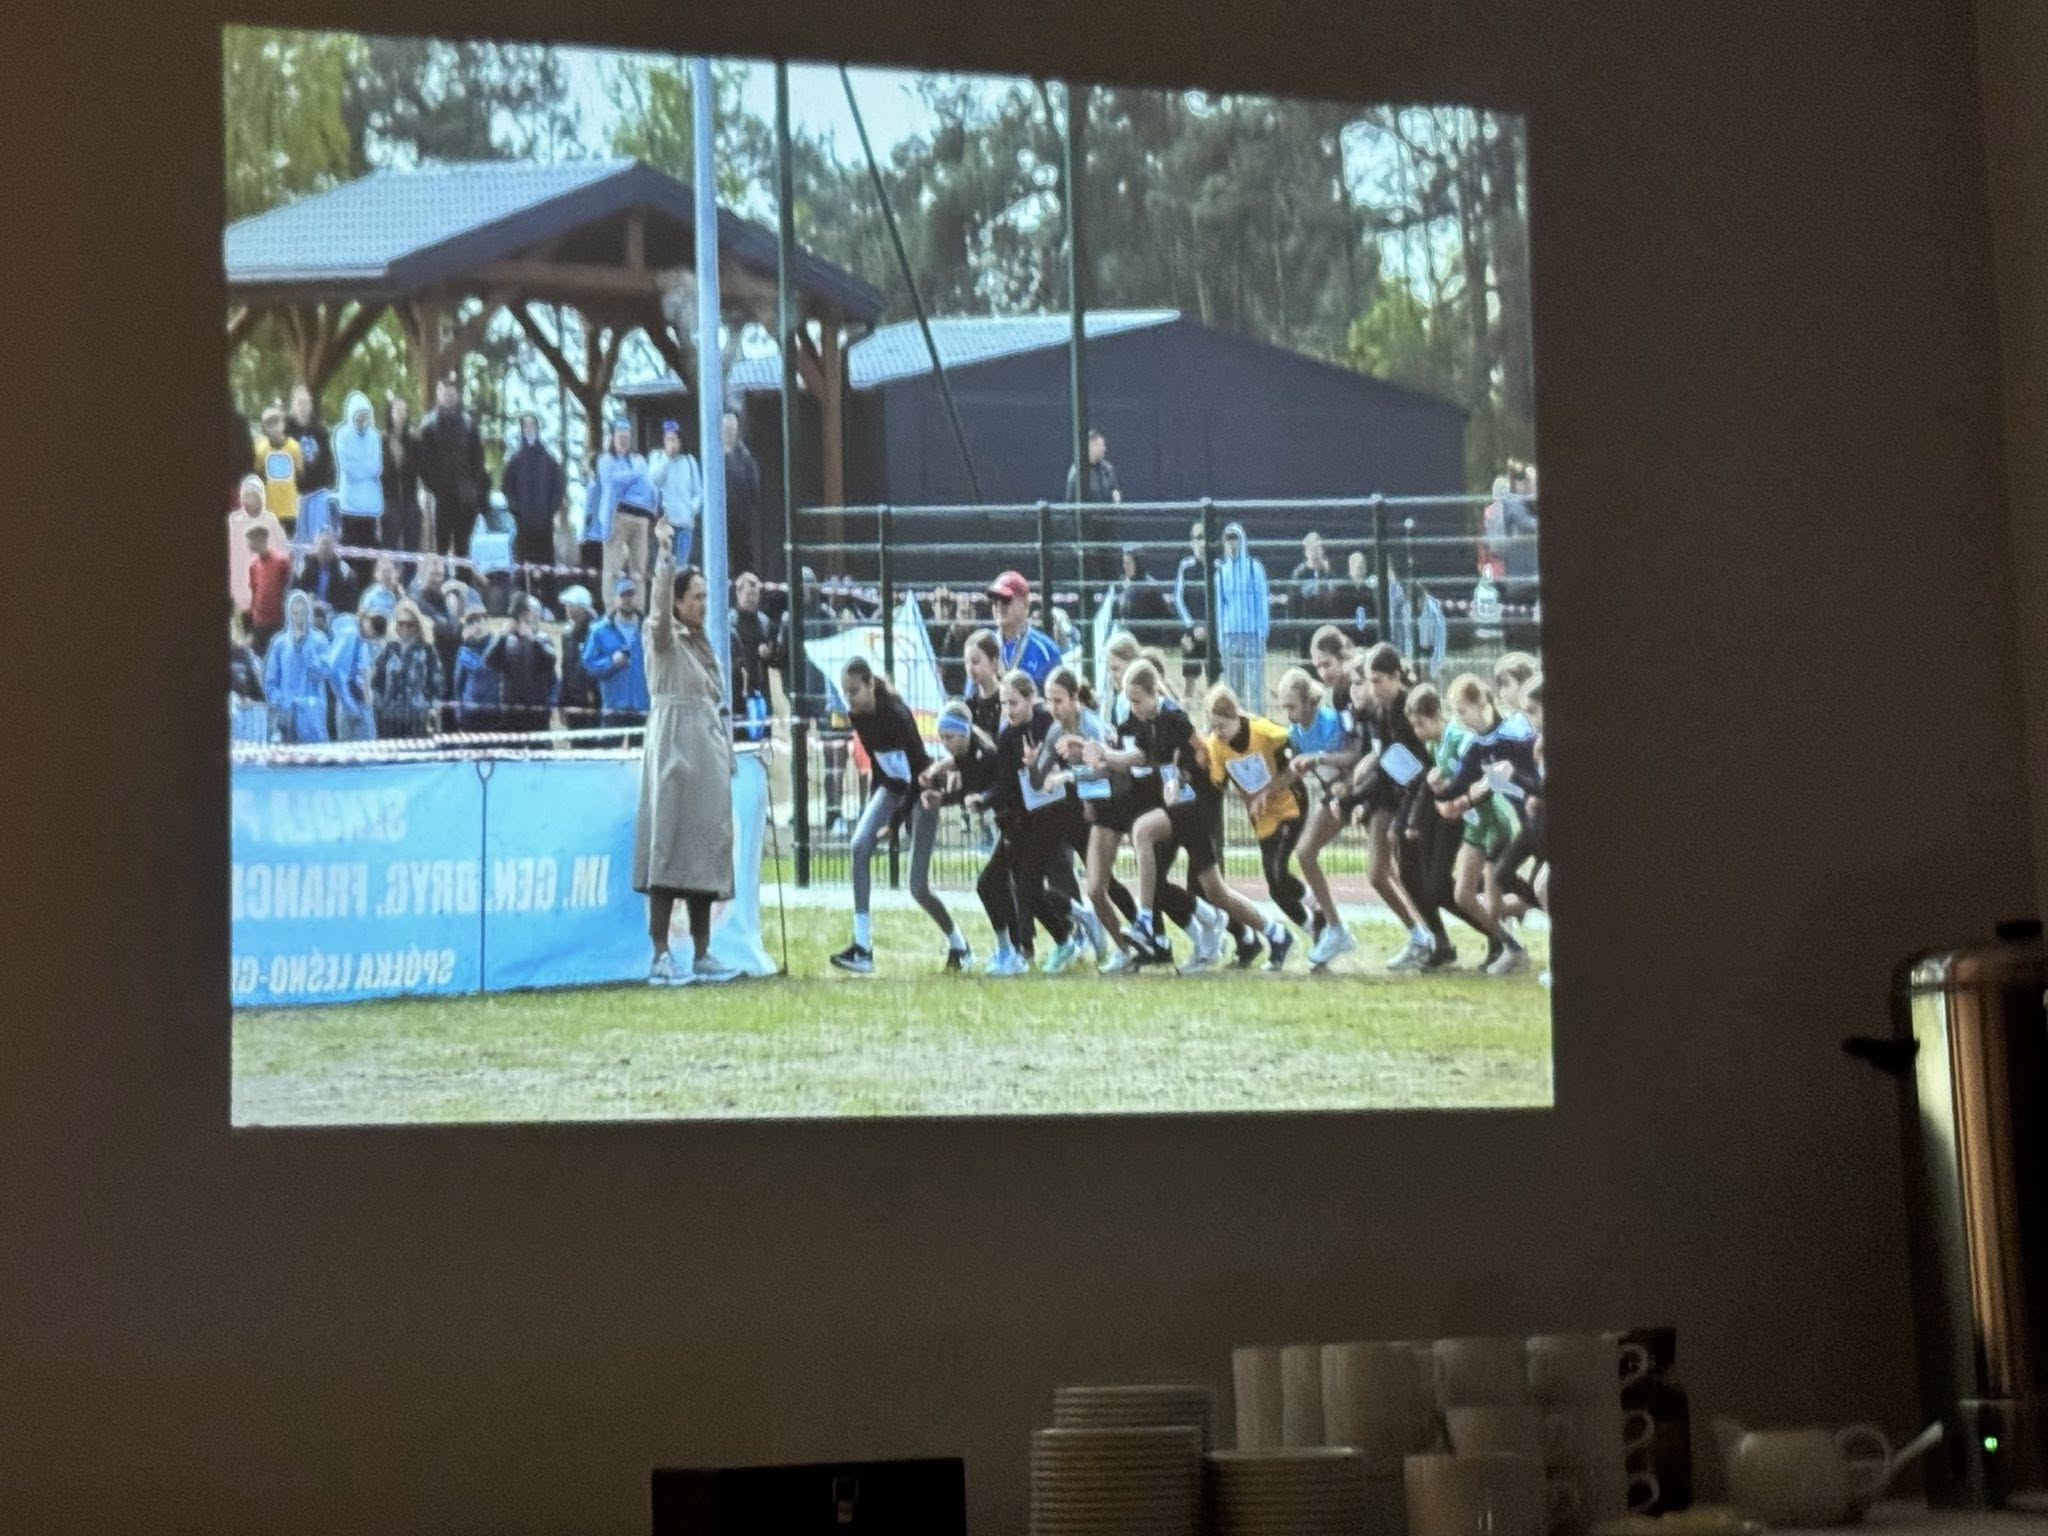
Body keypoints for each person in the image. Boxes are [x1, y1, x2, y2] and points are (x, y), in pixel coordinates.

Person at [1119, 660, 1276, 970]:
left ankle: (1252, 933)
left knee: (1206, 888)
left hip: (1193, 809)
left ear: (1153, 691)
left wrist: (1185, 777)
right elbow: (1139, 756)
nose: (1132, 707)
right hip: (1174, 807)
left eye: (1136, 700)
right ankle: (1244, 935)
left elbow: (1201, 751)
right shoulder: (1145, 721)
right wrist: (1103, 757)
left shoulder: (1173, 717)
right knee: (1192, 886)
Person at [636, 523, 740, 985]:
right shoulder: (662, 637)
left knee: (704, 851)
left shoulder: (702, 642)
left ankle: (702, 952)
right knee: (668, 846)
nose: (702, 603)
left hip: (707, 756)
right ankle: (660, 953)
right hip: (674, 749)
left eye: (704, 596)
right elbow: (657, 614)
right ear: (677, 601)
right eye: (694, 596)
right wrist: (665, 558)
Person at [829, 657, 971, 975]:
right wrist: (876, 811)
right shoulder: (857, 716)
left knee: (918, 887)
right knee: (859, 846)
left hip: (920, 791)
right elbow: (881, 766)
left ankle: (959, 944)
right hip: (892, 788)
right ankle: (862, 947)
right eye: (845, 692)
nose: (849, 699)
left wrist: (896, 822)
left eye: (854, 691)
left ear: (870, 685)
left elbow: (916, 772)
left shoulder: (895, 713)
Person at [972, 669, 1083, 974]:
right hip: (1021, 825)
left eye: (1014, 703)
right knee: (999, 885)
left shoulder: (1047, 726)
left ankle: (1048, 943)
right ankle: (1056, 934)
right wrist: (984, 799)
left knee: (1027, 887)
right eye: (1004, 704)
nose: (1008, 710)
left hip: (1051, 821)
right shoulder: (1007, 736)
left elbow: (1064, 767)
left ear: (1031, 699)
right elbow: (1006, 783)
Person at [1434, 672, 1537, 976]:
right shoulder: (1478, 745)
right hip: (1518, 822)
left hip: (1522, 820)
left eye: (1462, 711)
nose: (1459, 719)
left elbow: (1526, 775)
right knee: (1464, 896)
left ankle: (1537, 905)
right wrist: (1439, 792)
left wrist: (1471, 796)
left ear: (1482, 703)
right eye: (1455, 712)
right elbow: (1462, 782)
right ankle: (1513, 944)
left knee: (1500, 900)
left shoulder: (1515, 734)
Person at [1201, 682, 1313, 953]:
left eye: (1222, 726)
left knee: (1279, 872)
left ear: (1236, 716)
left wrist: (1268, 790)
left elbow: (1297, 760)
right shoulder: (1216, 746)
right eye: (1213, 727)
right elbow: (1215, 786)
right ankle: (1315, 929)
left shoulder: (1263, 732)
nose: (1218, 733)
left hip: (1289, 806)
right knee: (1275, 889)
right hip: (1262, 819)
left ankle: (1315, 902)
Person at [1272, 663, 1364, 967]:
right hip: (1335, 796)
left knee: (1385, 869)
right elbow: (1295, 771)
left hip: (1358, 790)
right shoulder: (1296, 732)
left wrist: (1318, 759)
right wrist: (1267, 792)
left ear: (1309, 702)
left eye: (1292, 707)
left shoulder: (1331, 722)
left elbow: (1353, 755)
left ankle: (1422, 932)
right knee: (1305, 852)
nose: (1288, 714)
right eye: (1284, 707)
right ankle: (1335, 927)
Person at [585, 420, 658, 607]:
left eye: (627, 437)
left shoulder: (639, 460)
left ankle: (638, 608)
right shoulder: (606, 460)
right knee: (613, 567)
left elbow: (648, 486)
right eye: (620, 437)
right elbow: (613, 482)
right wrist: (634, 476)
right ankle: (611, 607)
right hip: (617, 516)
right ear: (613, 438)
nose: (624, 441)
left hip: (641, 517)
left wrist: (634, 482)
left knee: (639, 567)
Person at [417, 376, 487, 562]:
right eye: (445, 393)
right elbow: (423, 462)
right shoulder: (429, 425)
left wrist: (474, 489)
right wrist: (434, 487)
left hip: (464, 497)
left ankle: (463, 579)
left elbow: (478, 460)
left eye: (452, 394)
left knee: (463, 546)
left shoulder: (468, 424)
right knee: (440, 544)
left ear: (457, 395)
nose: (448, 397)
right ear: (438, 395)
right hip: (440, 497)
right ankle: (439, 578)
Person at [502, 412, 565, 599]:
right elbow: (507, 489)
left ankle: (549, 603)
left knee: (547, 569)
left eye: (533, 426)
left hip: (545, 526)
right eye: (526, 426)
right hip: (523, 527)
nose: (530, 430)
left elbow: (558, 488)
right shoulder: (514, 461)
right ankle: (522, 602)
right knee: (523, 569)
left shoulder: (549, 461)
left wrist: (549, 511)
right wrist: (517, 512)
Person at [582, 574, 651, 740]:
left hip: (643, 706)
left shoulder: (649, 629)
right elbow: (589, 664)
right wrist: (611, 662)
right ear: (615, 598)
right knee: (609, 753)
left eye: (631, 594)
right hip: (613, 707)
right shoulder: (599, 630)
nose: (628, 599)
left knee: (643, 754)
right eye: (623, 595)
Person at [1214, 522, 1271, 709]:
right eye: (1228, 540)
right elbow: (1219, 607)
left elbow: (1262, 601)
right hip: (1230, 636)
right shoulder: (1221, 573)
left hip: (1252, 635)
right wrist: (1221, 638)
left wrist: (1262, 631)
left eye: (1235, 539)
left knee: (1255, 687)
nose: (1232, 544)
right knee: (1233, 687)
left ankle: (1256, 721)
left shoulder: (1255, 568)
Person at [262, 590, 330, 743]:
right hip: (286, 716)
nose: (299, 618)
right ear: (289, 614)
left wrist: (306, 646)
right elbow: (270, 682)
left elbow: (322, 673)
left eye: (303, 613)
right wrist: (282, 701)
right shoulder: (279, 643)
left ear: (309, 613)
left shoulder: (320, 641)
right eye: (295, 613)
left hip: (312, 716)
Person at [486, 594, 558, 734]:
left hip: (537, 708)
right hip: (511, 708)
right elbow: (490, 662)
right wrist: (501, 637)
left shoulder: (542, 638)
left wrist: (533, 640)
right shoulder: (506, 639)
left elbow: (550, 662)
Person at [371, 600, 442, 740]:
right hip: (390, 718)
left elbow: (436, 684)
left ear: (417, 625)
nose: (405, 628)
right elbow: (376, 681)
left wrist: (430, 707)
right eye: (401, 623)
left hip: (418, 718)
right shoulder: (389, 650)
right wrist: (380, 706)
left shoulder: (427, 650)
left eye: (410, 624)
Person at [332, 390, 383, 566]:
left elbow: (376, 467)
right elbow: (347, 468)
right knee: (350, 555)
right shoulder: (342, 434)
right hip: (350, 506)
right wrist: (364, 468)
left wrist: (360, 466)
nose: (362, 420)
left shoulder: (374, 435)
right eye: (359, 416)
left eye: (365, 416)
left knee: (369, 556)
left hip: (370, 507)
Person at [985, 569, 1062, 687]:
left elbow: (1058, 695)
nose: (999, 606)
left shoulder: (1047, 650)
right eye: (995, 601)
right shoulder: (985, 647)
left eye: (1005, 600)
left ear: (1026, 604)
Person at [228, 475, 287, 618]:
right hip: (240, 578)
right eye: (246, 496)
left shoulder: (270, 520)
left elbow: (282, 550)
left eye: (253, 496)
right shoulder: (234, 520)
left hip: (265, 579)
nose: (249, 500)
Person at [648, 419, 703, 567]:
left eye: (673, 439)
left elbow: (698, 492)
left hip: (685, 523)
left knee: (681, 565)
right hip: (665, 523)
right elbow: (653, 480)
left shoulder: (689, 461)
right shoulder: (657, 458)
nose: (671, 443)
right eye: (667, 439)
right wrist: (667, 458)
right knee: (664, 566)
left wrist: (692, 509)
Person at [325, 601, 382, 743]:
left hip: (358, 701)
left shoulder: (360, 637)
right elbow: (335, 670)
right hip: (352, 704)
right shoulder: (350, 634)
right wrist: (350, 706)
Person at [286, 382, 333, 542]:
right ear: (292, 405)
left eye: (307, 402)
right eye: (300, 402)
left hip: (317, 492)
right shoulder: (286, 430)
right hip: (293, 492)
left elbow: (326, 462)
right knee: (296, 542)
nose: (303, 407)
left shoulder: (320, 431)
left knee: (317, 539)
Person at [721, 408, 762, 582]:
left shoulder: (745, 456)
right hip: (720, 516)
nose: (730, 431)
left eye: (733, 427)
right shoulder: (714, 456)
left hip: (742, 517)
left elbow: (754, 488)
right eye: (727, 427)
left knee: (744, 556)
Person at [450, 602, 504, 735]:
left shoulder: (497, 645)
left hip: (494, 713)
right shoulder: (465, 651)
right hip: (470, 714)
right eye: (471, 622)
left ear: (487, 621)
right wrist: (460, 711)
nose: (476, 626)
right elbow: (458, 684)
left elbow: (490, 668)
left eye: (480, 620)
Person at [555, 585, 602, 735]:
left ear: (581, 607)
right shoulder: (567, 634)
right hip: (572, 700)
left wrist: (594, 696)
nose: (566, 608)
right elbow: (565, 668)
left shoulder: (598, 631)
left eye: (570, 604)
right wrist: (562, 701)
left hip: (593, 701)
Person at [380, 396, 424, 555]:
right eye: (397, 410)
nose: (401, 414)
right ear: (390, 413)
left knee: (412, 545)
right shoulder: (381, 440)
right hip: (388, 500)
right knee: (389, 544)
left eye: (404, 411)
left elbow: (421, 469)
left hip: (410, 499)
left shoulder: (414, 441)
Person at [729, 571, 774, 722]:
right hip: (737, 687)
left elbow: (774, 652)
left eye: (755, 594)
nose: (752, 599)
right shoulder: (730, 621)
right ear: (738, 593)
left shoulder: (764, 622)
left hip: (760, 686)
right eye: (748, 594)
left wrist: (768, 653)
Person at [252, 406, 302, 537]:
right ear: (264, 427)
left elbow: (299, 472)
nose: (273, 427)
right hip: (269, 508)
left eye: (276, 422)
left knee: (289, 544)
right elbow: (259, 473)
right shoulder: (260, 448)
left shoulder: (294, 447)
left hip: (290, 508)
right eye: (269, 424)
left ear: (283, 424)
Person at [243, 522, 292, 654]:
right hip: (259, 624)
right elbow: (254, 593)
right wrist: (251, 626)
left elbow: (288, 590)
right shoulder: (253, 566)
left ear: (262, 538)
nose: (249, 544)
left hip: (278, 622)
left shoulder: (281, 562)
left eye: (252, 539)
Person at [1172, 520, 1209, 688]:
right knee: (1190, 681)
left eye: (1205, 537)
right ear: (1192, 542)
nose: (1202, 542)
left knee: (1215, 681)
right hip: (1191, 634)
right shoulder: (1185, 566)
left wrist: (1209, 628)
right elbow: (1178, 599)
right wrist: (1192, 627)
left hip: (1212, 634)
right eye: (1198, 537)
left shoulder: (1218, 567)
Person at [1109, 546, 1170, 647]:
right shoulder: (1121, 585)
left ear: (1138, 563)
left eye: (1129, 563)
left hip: (1146, 642)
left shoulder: (1151, 587)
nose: (1126, 567)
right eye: (1124, 562)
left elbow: (1164, 617)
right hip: (1125, 640)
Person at [293, 528, 360, 617]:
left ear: (334, 548)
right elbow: (294, 593)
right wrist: (309, 602)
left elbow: (350, 603)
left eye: (328, 546)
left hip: (334, 614)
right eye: (322, 545)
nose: (324, 549)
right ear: (316, 546)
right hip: (307, 612)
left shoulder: (344, 572)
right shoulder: (304, 566)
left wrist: (329, 607)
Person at [1290, 532, 1338, 654]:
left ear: (1322, 550)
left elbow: (1335, 597)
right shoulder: (1300, 573)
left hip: (1326, 624)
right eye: (1311, 549)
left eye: (1317, 548)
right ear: (1306, 551)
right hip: (1306, 626)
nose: (1314, 553)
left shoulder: (1329, 571)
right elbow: (1293, 602)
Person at [1064, 426, 1123, 504]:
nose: (1104, 449)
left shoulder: (1107, 469)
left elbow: (1115, 491)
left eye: (1103, 446)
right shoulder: (1077, 470)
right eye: (1101, 445)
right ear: (1090, 446)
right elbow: (1070, 501)